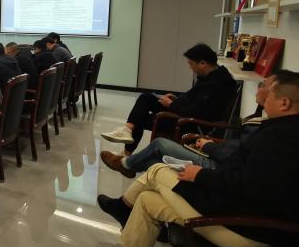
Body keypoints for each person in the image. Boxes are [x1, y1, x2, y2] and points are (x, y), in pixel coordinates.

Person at [97, 70, 299, 247]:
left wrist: (200, 175)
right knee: (147, 200)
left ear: (284, 103)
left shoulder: (282, 138)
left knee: (157, 170)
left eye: (270, 94)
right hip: (249, 221)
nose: (265, 97)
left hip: (244, 230)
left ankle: (122, 206)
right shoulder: (297, 131)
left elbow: (249, 185)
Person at [101, 75, 274, 178]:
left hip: (212, 159)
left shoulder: (270, 131)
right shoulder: (262, 121)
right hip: (216, 153)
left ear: (282, 100)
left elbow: (238, 157)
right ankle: (127, 163)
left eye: (263, 85)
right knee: (153, 161)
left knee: (158, 143)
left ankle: (125, 161)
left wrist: (210, 146)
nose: (258, 88)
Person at [101, 43, 237, 155]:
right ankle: (127, 130)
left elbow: (197, 112)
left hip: (190, 124)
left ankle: (125, 154)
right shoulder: (211, 76)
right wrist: (175, 99)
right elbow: (194, 98)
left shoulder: (215, 85)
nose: (190, 67)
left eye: (191, 64)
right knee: (145, 98)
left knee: (140, 118)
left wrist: (172, 105)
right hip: (185, 112)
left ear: (202, 63)